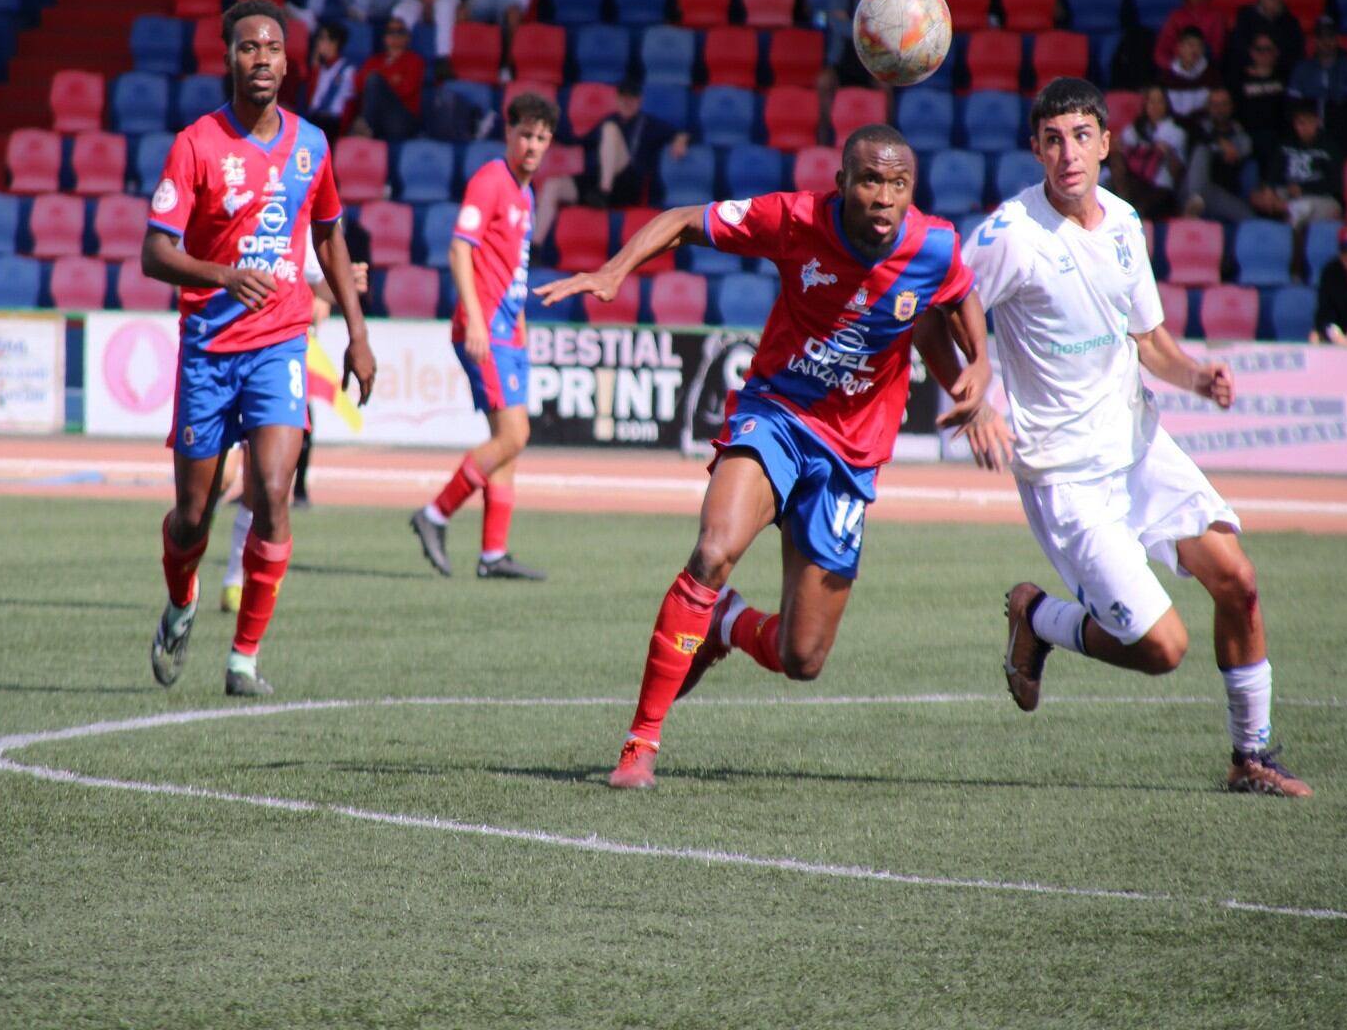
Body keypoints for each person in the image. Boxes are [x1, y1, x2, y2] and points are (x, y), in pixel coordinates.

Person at [535, 125, 993, 789]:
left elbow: (957, 295)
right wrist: (615, 270)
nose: (884, 197)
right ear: (842, 184)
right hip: (775, 415)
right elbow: (682, 220)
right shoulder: (794, 218)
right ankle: (640, 745)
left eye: (898, 184)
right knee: (713, 551)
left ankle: (727, 625)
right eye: (870, 180)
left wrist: (977, 367)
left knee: (801, 657)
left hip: (851, 456)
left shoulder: (935, 244)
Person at [933, 75, 1311, 798]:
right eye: (1052, 140)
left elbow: (1150, 340)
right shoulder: (1010, 237)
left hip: (1139, 447)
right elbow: (935, 303)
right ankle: (1037, 616)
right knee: (1164, 649)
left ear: (1106, 143)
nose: (1068, 153)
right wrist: (977, 395)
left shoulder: (1125, 223)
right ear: (1036, 151)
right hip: (1067, 476)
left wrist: (1197, 375)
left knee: (1239, 580)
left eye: (1081, 136)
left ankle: (1252, 756)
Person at [141, 0, 375, 696]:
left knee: (274, 491)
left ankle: (243, 657)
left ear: (286, 59)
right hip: (209, 351)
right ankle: (181, 601)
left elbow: (330, 235)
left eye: (272, 46)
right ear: (229, 58)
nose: (262, 58)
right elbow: (155, 251)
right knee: (192, 514)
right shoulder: (196, 144)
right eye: (248, 47)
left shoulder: (312, 145)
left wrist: (359, 334)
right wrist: (220, 274)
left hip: (280, 345)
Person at [408, 93, 558, 582]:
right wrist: (474, 319)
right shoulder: (492, 180)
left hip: (507, 330)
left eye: (541, 137)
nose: (532, 145)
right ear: (508, 133)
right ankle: (434, 515)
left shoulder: (526, 192)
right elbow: (459, 250)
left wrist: (520, 326)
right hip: (483, 328)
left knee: (507, 443)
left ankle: (493, 553)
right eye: (525, 135)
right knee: (515, 435)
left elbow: (511, 268)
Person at [221, 252, 369, 612]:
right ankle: (192, 553)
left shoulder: (305, 211)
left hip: (274, 358)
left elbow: (317, 293)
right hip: (224, 348)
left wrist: (341, 283)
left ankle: (234, 579)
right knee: (218, 480)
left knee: (265, 480)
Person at [533, 78, 688, 245]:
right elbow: (579, 141)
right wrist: (549, 132)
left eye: (632, 97)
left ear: (639, 100)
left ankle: (604, 191)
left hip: (628, 186)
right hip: (597, 185)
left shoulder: (649, 124)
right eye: (624, 97)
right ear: (617, 99)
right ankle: (535, 247)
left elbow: (681, 132)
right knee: (552, 186)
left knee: (610, 129)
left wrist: (681, 140)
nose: (627, 102)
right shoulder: (609, 119)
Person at [1251, 98, 1344, 237]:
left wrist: (1304, 189)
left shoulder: (1329, 147)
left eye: (1308, 123)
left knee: (1310, 208)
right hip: (1288, 194)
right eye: (1300, 123)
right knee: (1257, 197)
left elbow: (1335, 183)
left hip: (1318, 197)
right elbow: (1274, 171)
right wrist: (1269, 188)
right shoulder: (1286, 143)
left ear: (1317, 122)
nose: (1304, 128)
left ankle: (1291, 217)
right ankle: (1289, 209)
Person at [1288, 15, 1347, 158]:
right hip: (1307, 133)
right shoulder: (1302, 69)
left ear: (1337, 39)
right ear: (1315, 40)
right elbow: (1292, 107)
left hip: (1341, 134)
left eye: (1330, 37)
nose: (1326, 42)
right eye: (1322, 37)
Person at [1105, 85, 1187, 220]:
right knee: (1115, 160)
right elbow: (1119, 150)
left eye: (1159, 101)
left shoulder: (1176, 132)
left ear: (1167, 104)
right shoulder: (1135, 128)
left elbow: (1178, 173)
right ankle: (1122, 203)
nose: (1155, 106)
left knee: (1142, 210)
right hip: (1135, 180)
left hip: (1160, 188)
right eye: (1151, 101)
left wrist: (1167, 152)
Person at [1181, 88, 1257, 224]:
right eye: (1215, 105)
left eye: (1224, 104)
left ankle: (1198, 201)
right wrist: (1220, 142)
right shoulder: (1199, 129)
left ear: (1231, 106)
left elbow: (1238, 155)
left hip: (1221, 193)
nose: (1219, 109)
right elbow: (1195, 142)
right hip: (1193, 190)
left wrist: (1224, 148)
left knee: (1251, 220)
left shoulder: (1240, 134)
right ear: (1208, 108)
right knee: (1201, 151)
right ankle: (1196, 200)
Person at [353, 16, 426, 140]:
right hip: (378, 119)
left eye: (400, 32)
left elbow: (406, 90)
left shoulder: (414, 60)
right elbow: (359, 86)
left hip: (402, 121)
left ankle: (366, 127)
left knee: (374, 81)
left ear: (408, 37)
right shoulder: (374, 61)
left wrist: (380, 83)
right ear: (384, 37)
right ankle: (367, 128)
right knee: (374, 82)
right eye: (390, 32)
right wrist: (390, 80)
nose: (395, 36)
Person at [1226, 0, 1305, 85]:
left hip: (1280, 78)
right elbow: (1238, 49)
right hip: (1249, 76)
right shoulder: (1245, 17)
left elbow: (1297, 54)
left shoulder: (1290, 22)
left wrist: (1272, 68)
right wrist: (1257, 66)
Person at [1153, 0, 1227, 72]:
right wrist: (1174, 66)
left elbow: (1216, 50)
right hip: (1175, 70)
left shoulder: (1217, 16)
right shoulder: (1176, 16)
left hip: (1205, 70)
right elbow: (1162, 49)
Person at [1232, 31, 1288, 161]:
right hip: (1246, 138)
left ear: (1276, 52)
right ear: (1251, 52)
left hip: (1276, 140)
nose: (1264, 53)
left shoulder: (1285, 77)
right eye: (1259, 49)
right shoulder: (1238, 78)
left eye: (1268, 49)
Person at [1157, 26, 1222, 124]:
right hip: (1174, 126)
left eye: (1198, 45)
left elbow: (1218, 106)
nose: (1194, 50)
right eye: (1190, 45)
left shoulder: (1212, 75)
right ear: (1180, 47)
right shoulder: (1167, 77)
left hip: (1204, 125)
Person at [304, 21, 355, 142]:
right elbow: (311, 103)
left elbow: (349, 103)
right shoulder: (320, 70)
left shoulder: (347, 70)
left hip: (333, 122)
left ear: (334, 43)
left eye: (322, 39)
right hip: (315, 119)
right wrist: (315, 70)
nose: (318, 43)